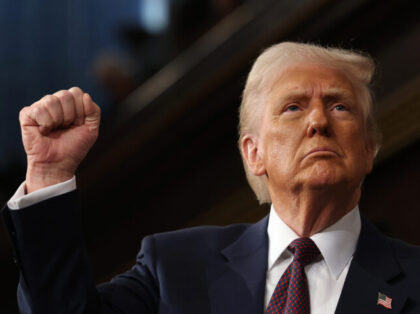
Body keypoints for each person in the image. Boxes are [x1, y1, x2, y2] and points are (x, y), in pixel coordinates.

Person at [2, 42, 420, 313]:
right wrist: (50, 174)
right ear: (253, 154)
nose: (317, 121)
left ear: (369, 150)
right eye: (292, 107)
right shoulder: (174, 268)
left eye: (340, 107)